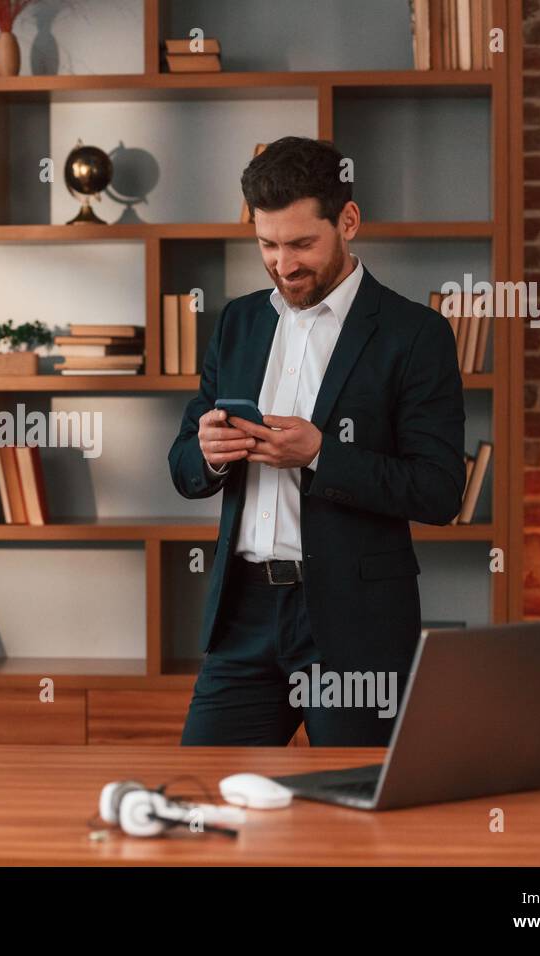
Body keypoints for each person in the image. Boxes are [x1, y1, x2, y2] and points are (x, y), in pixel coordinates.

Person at [169, 136, 466, 746]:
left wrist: (322, 456)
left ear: (349, 221)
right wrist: (206, 452)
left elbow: (439, 492)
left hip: (356, 628)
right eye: (268, 245)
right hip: (242, 617)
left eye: (302, 243)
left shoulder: (415, 334)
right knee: (201, 805)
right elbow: (182, 464)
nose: (284, 264)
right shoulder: (239, 322)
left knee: (361, 823)